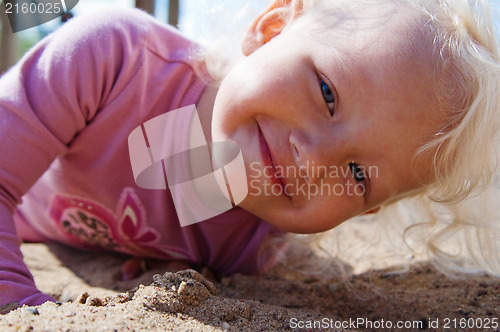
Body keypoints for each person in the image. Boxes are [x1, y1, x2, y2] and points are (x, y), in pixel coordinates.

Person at [0, 0, 498, 309]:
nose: (313, 158)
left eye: (357, 174)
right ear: (273, 26)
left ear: (366, 210)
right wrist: (19, 303)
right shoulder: (114, 59)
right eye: (327, 93)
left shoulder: (253, 249)